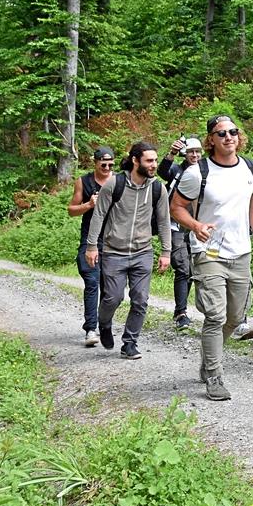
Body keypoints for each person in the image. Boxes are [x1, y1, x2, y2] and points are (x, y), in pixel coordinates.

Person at [169, 115, 253, 401]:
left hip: (240, 251)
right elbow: (175, 207)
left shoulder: (251, 168)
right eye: (221, 133)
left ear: (239, 136)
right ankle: (214, 375)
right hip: (208, 252)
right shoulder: (196, 172)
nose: (228, 137)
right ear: (210, 139)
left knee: (235, 316)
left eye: (233, 132)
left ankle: (208, 357)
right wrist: (196, 225)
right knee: (215, 315)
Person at [85, 142, 172, 360]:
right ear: (135, 161)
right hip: (114, 251)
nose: (154, 165)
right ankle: (103, 324)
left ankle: (130, 343)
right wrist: (92, 246)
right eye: (149, 161)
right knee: (112, 298)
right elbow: (99, 215)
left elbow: (163, 221)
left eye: (155, 160)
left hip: (143, 251)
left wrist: (166, 252)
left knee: (140, 299)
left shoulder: (157, 188)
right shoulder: (114, 184)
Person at [68, 146, 115, 347]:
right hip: (90, 241)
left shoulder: (117, 181)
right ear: (95, 163)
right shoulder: (84, 181)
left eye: (110, 164)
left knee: (110, 288)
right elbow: (71, 210)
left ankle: (105, 325)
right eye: (103, 164)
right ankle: (90, 329)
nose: (106, 167)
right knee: (92, 281)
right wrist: (88, 205)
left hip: (114, 241)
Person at [157, 136, 204, 329]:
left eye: (197, 151)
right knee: (183, 268)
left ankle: (181, 310)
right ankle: (181, 313)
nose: (194, 155)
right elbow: (162, 172)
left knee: (193, 271)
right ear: (185, 153)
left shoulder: (206, 171)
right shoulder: (177, 170)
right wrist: (171, 154)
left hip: (197, 227)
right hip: (175, 226)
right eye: (191, 151)